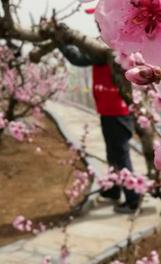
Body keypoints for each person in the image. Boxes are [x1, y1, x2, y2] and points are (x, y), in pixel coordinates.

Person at [58, 34, 140, 214]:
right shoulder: (116, 47)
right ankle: (114, 189)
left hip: (116, 113)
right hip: (112, 111)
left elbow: (77, 58)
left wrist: (60, 41)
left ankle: (133, 199)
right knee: (113, 154)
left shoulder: (106, 51)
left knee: (120, 156)